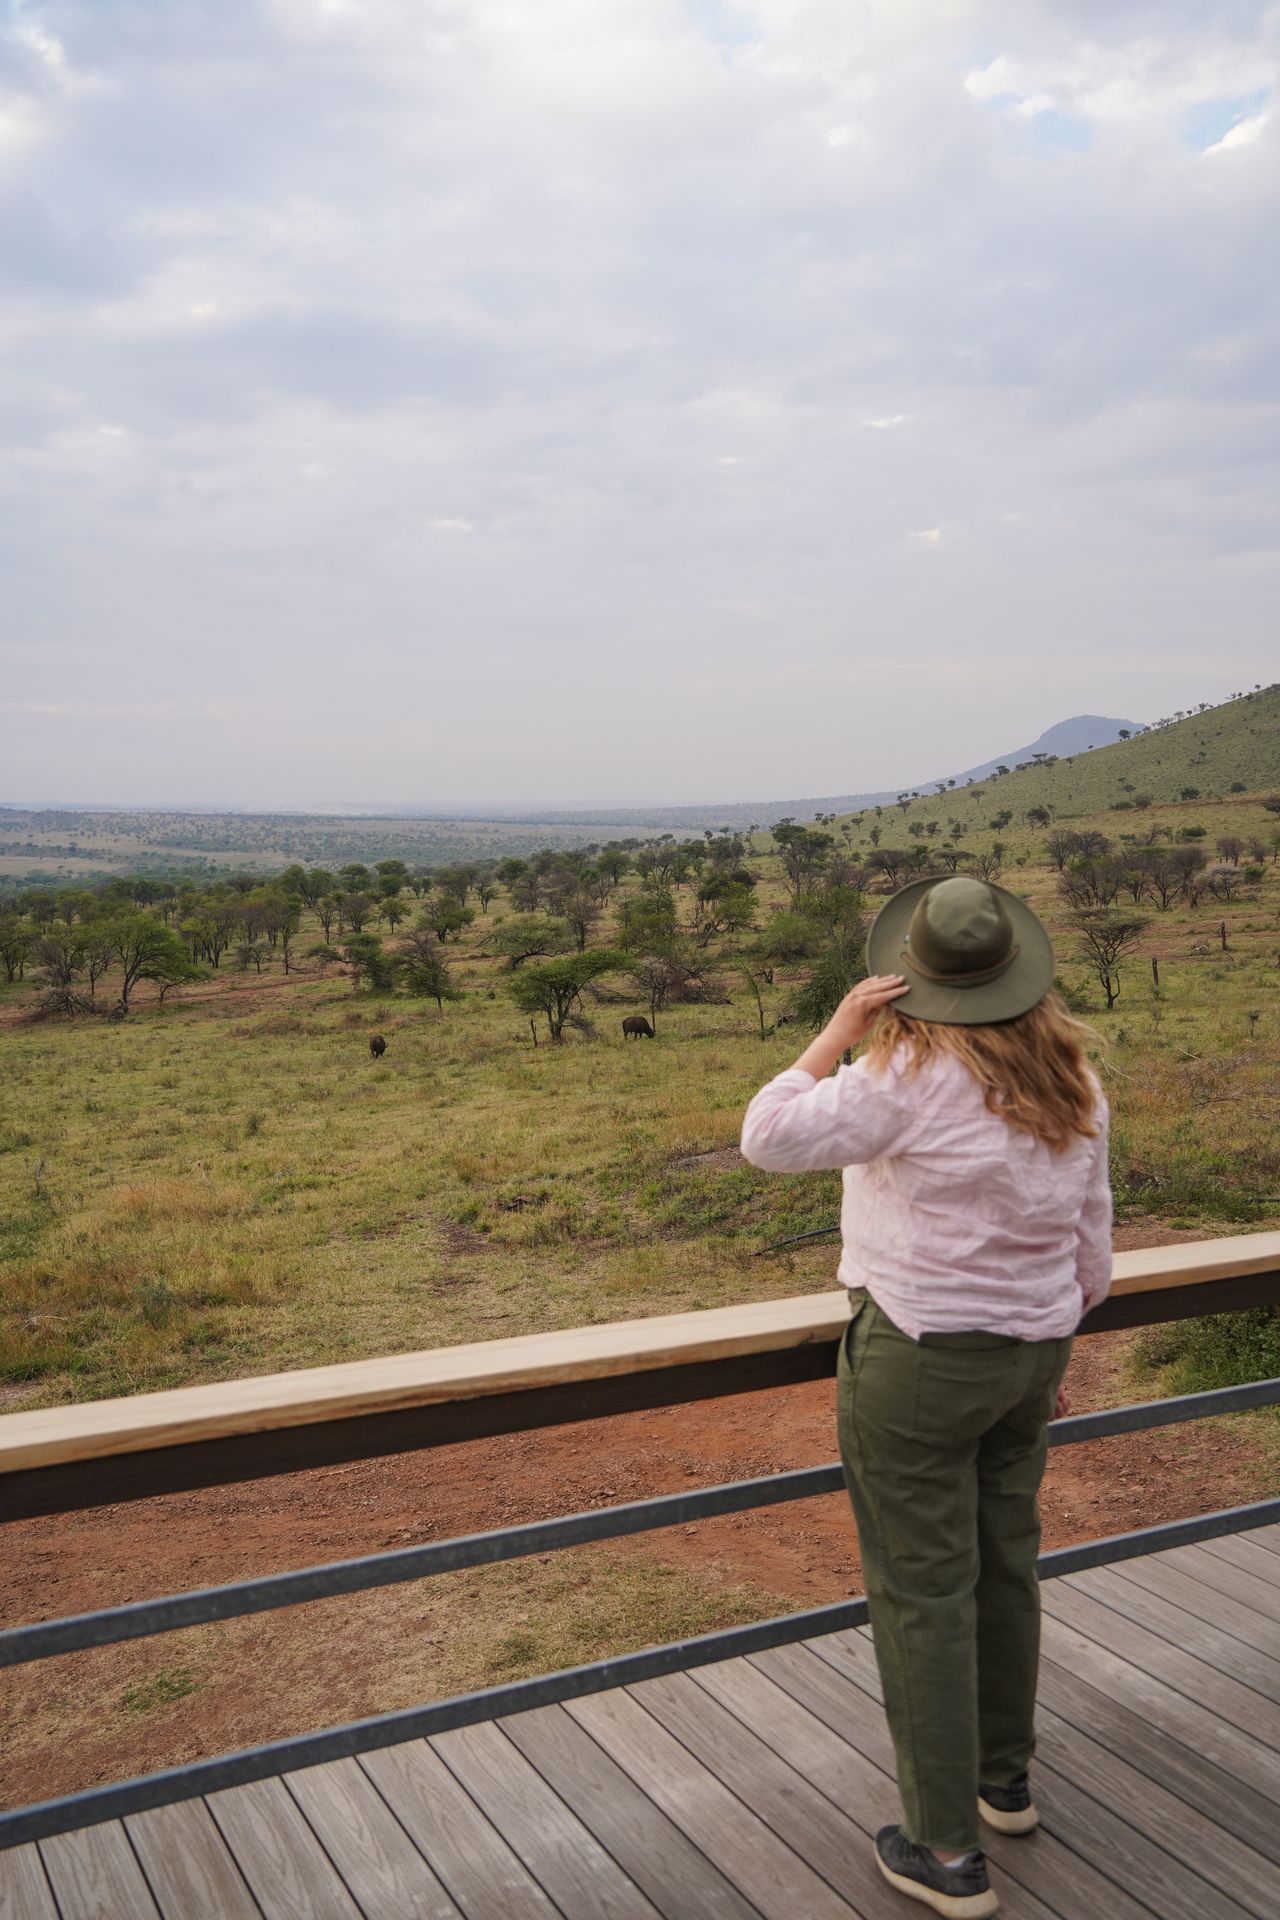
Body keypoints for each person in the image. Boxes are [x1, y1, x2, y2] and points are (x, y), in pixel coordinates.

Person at [741, 875, 1111, 1919]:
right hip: (1032, 1352)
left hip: (917, 1356)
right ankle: (1004, 1785)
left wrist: (836, 1030)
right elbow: (1092, 1239)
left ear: (912, 980)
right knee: (1005, 1564)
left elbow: (766, 1136)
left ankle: (944, 1849)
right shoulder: (1073, 1075)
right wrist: (1046, 1332)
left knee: (921, 1592)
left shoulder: (899, 1074)